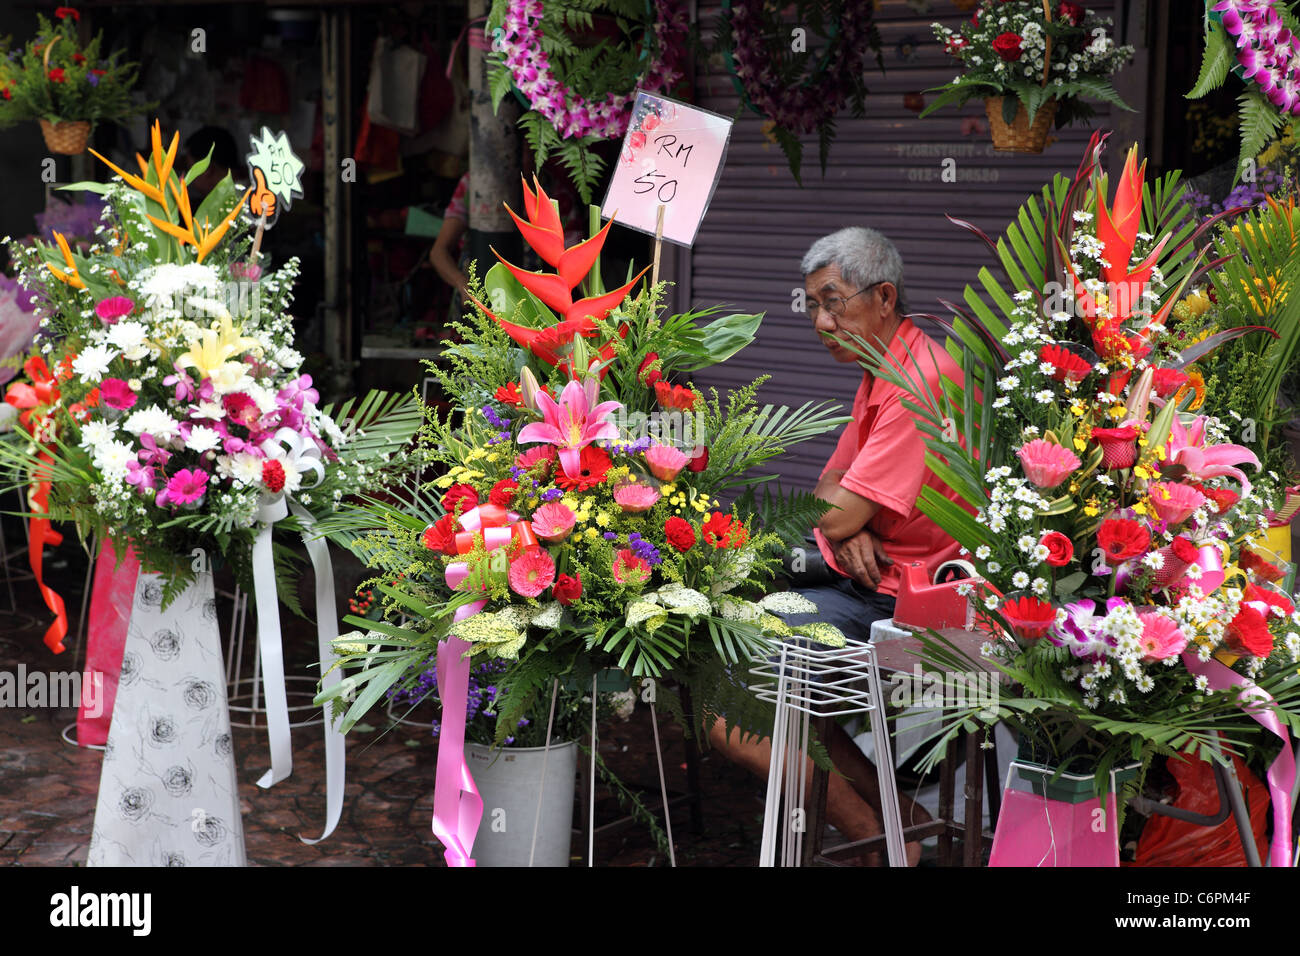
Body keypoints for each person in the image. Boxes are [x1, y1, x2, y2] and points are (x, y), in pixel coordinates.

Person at [707, 226, 968, 864]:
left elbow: (838, 506)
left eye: (832, 302)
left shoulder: (918, 379)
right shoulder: (885, 362)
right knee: (717, 599)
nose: (821, 322)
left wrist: (851, 517)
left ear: (883, 297)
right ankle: (904, 826)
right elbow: (831, 495)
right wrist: (853, 519)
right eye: (814, 306)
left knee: (727, 711)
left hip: (910, 600)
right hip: (865, 574)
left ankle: (874, 846)